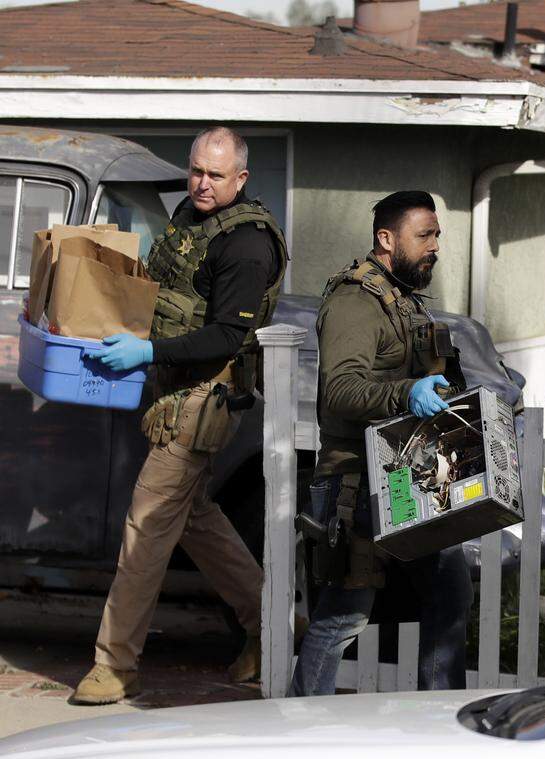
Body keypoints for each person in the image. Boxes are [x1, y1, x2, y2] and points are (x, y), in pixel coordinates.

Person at [74, 126, 289, 704]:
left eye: (215, 175)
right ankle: (271, 625)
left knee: (146, 526)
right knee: (194, 518)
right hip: (173, 389)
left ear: (239, 179)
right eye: (196, 170)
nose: (201, 183)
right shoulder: (193, 220)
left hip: (206, 397)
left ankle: (116, 665)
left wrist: (147, 350)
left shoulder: (246, 243)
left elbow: (224, 335)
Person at [289, 190, 472, 696]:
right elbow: (340, 391)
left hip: (407, 480)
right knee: (343, 616)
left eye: (437, 234)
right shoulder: (355, 300)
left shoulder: (403, 297)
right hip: (355, 484)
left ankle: (442, 726)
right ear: (387, 239)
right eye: (425, 235)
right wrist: (405, 393)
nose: (435, 245)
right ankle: (297, 731)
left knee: (449, 595)